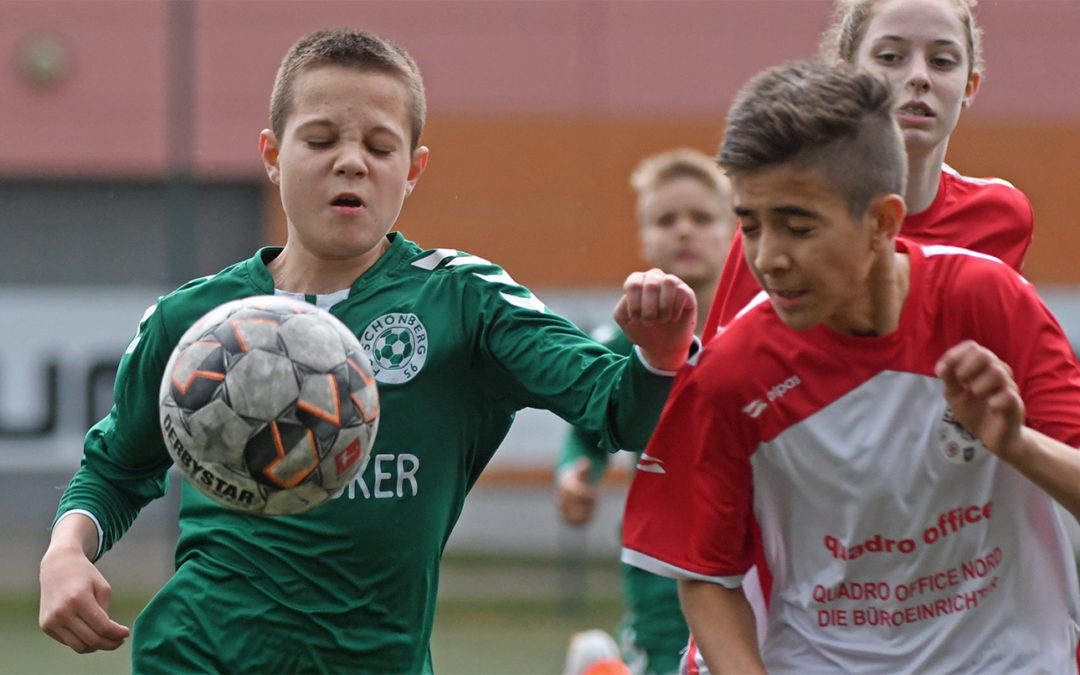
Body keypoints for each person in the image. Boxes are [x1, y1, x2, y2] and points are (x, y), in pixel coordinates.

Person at [37, 28, 700, 674]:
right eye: (320, 139)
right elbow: (117, 466)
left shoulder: (465, 302)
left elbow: (621, 410)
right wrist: (65, 551)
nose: (350, 161)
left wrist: (660, 358)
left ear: (413, 169)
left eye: (380, 147)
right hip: (195, 652)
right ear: (271, 153)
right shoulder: (196, 321)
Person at [621, 59, 1080, 673]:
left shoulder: (987, 300)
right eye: (751, 226)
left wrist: (1017, 445)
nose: (769, 259)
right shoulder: (735, 371)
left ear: (882, 222)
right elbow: (706, 575)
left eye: (797, 227)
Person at [703, 0, 1034, 338]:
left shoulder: (1001, 217)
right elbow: (723, 376)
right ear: (846, 78)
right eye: (890, 57)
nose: (919, 76)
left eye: (942, 61)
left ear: (970, 86)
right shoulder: (785, 215)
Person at [555, 148, 733, 675]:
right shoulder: (624, 342)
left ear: (733, 232)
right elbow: (585, 429)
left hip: (752, 552)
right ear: (644, 239)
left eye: (701, 218)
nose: (684, 231)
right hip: (661, 563)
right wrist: (573, 473)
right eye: (666, 220)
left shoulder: (763, 334)